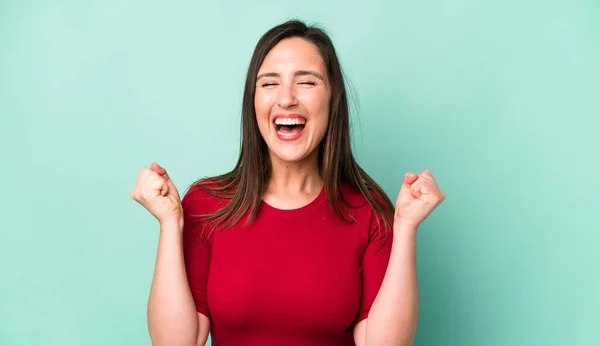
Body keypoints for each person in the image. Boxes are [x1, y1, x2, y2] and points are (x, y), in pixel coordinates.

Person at [131, 20, 445, 346]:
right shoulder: (205, 204)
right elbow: (176, 343)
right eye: (269, 84)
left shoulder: (369, 213)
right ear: (252, 102)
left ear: (333, 97)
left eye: (306, 82)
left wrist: (406, 227)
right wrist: (170, 224)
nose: (286, 99)